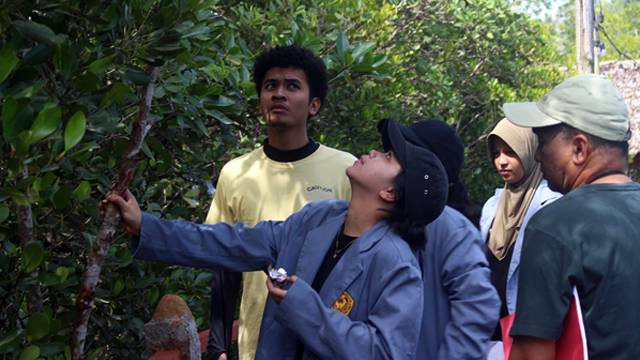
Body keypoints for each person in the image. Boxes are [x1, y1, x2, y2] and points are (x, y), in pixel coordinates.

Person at [104, 118, 449, 359]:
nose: (375, 152)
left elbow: (383, 353)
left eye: (388, 157)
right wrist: (145, 225)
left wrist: (303, 305)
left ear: (390, 192)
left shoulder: (397, 264)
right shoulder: (319, 218)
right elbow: (231, 242)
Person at [204, 45, 356, 360]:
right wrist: (218, 346)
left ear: (314, 105)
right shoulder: (236, 173)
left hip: (326, 341)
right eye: (270, 85)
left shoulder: (346, 170)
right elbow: (225, 263)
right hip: (256, 343)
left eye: (292, 86)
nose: (279, 94)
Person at [502, 74, 640, 359]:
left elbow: (531, 354)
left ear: (579, 148)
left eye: (542, 142)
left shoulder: (555, 226)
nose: (538, 156)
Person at [380, 119, 500, 359]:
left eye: (400, 155)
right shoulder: (393, 216)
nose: (387, 157)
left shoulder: (451, 229)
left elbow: (477, 307)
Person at [479, 119, 561, 356]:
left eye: (510, 152)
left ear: (530, 151)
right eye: (496, 154)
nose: (501, 161)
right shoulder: (492, 207)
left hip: (524, 334)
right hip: (487, 331)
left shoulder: (550, 205)